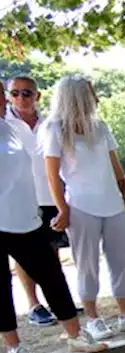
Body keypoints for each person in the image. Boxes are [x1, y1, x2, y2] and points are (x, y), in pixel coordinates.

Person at [39, 76, 125, 343]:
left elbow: (116, 168)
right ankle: (92, 318)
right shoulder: (55, 129)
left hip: (111, 202)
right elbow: (52, 175)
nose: (96, 98)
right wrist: (62, 208)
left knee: (120, 259)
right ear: (77, 96)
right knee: (87, 263)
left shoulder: (100, 127)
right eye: (91, 93)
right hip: (80, 205)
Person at [2, 105, 107, 353]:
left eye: (2, 95)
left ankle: (75, 334)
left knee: (52, 274)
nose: (5, 101)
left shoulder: (9, 128)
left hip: (25, 217)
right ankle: (14, 347)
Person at [6, 76, 66, 328]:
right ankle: (34, 304)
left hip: (47, 194)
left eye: (27, 93)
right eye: (15, 93)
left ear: (37, 96)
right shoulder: (4, 123)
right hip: (17, 197)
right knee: (24, 253)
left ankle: (58, 301)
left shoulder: (50, 123)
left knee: (51, 250)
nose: (21, 98)